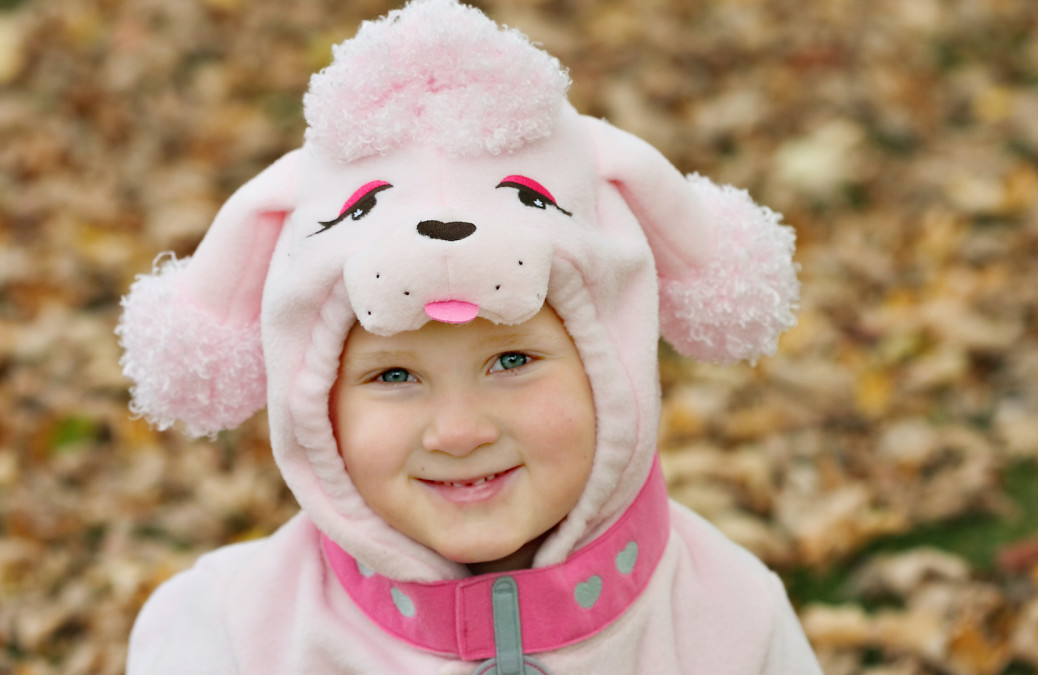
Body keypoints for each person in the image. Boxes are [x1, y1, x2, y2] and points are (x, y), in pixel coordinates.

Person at [117, 1, 824, 672]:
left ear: (613, 365)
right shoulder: (232, 638)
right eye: (394, 376)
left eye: (511, 359)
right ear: (316, 402)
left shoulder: (729, 619)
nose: (457, 432)